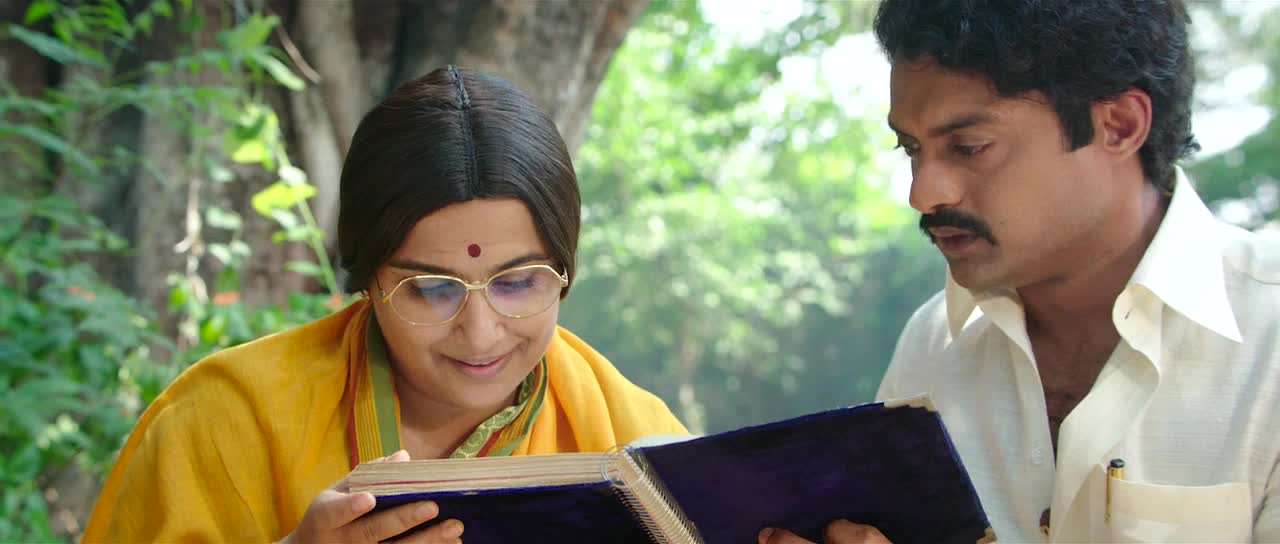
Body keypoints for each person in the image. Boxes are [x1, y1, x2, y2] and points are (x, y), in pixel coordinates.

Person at [83, 65, 688, 543]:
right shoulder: (223, 421)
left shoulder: (640, 445)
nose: (481, 334)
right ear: (367, 280)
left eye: (518, 282)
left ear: (564, 274)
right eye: (432, 288)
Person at [762, 1, 1279, 543]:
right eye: (911, 148)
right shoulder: (934, 344)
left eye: (969, 148)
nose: (924, 193)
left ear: (1120, 126)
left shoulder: (1269, 342)